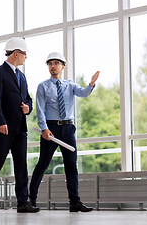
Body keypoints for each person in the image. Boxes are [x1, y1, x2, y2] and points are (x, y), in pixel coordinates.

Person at [29, 52, 100, 212]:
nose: (52, 66)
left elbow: (83, 93)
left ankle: (75, 202)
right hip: (51, 129)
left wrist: (91, 84)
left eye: (55, 63)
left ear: (62, 66)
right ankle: (31, 199)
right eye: (50, 63)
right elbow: (40, 110)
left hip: (68, 129)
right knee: (42, 164)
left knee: (71, 166)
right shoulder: (43, 86)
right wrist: (44, 128)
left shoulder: (70, 85)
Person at [0, 37, 40, 213]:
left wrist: (28, 107)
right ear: (16, 53)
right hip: (3, 128)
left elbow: (28, 98)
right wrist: (0, 121)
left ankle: (22, 202)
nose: (26, 57)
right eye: (24, 54)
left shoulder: (22, 76)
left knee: (21, 165)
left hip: (20, 127)